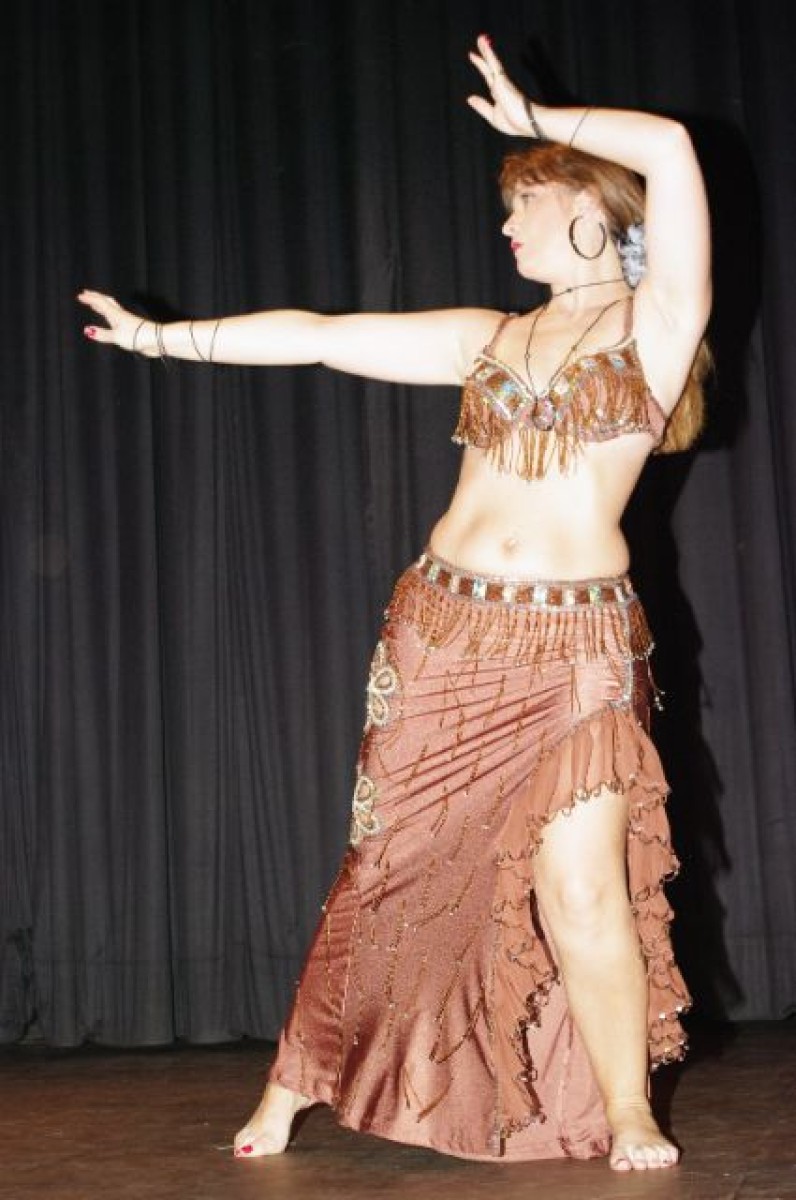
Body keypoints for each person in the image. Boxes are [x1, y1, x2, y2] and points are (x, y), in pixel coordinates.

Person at [78, 34, 711, 1173]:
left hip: (575, 648)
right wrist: (163, 338)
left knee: (581, 888)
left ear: (586, 202)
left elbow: (667, 147)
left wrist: (540, 120)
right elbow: (323, 341)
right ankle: (293, 1085)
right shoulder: (488, 339)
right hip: (443, 633)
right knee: (389, 865)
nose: (506, 225)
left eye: (524, 201)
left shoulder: (658, 326)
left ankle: (627, 1110)